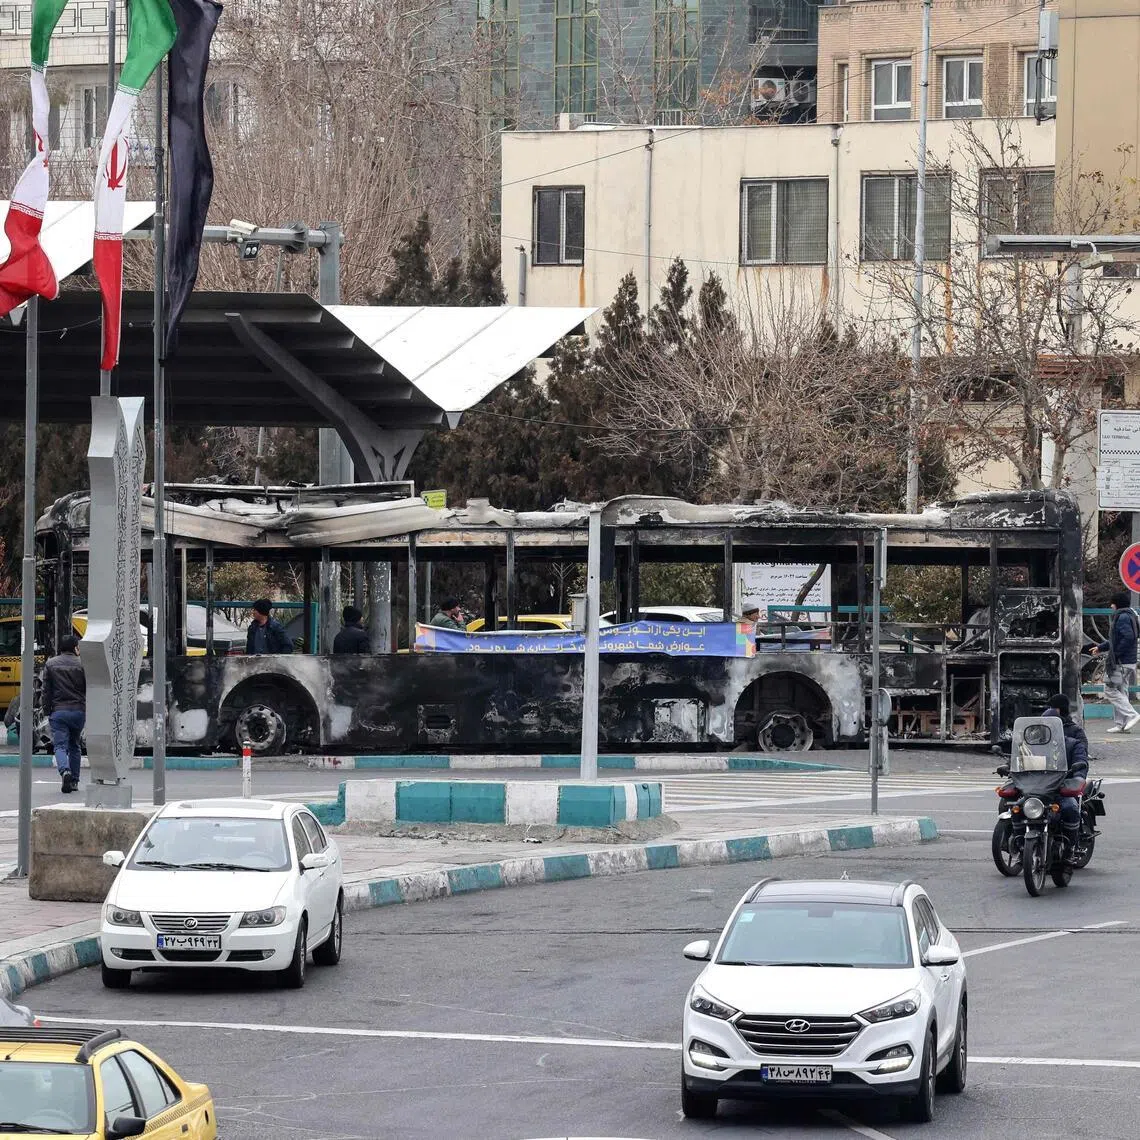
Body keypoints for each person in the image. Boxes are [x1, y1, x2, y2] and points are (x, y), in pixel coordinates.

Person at [1043, 693, 1089, 862]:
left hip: (1064, 781)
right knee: (1009, 803)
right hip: (1040, 782)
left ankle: (1070, 848)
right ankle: (1012, 841)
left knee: (1070, 807)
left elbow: (1081, 758)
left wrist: (1076, 779)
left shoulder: (1075, 734)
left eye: (1052, 707)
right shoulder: (1039, 735)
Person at [1090, 591, 1140, 733]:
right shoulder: (1130, 614)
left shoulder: (1123, 617)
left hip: (1121, 662)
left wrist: (1116, 653)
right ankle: (1121, 725)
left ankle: (1132, 715)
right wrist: (1100, 647)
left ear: (1116, 604)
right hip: (1127, 661)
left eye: (1112, 603)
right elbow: (1115, 640)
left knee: (1110, 689)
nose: (1111, 606)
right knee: (1120, 690)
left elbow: (1128, 638)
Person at [42, 634, 85, 794]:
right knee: (75, 745)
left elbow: (46, 691)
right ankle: (74, 781)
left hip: (59, 711)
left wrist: (47, 710)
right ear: (75, 648)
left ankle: (64, 771)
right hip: (79, 711)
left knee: (60, 746)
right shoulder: (83, 665)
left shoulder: (50, 664)